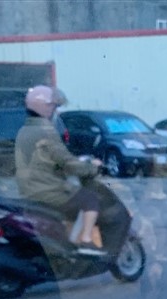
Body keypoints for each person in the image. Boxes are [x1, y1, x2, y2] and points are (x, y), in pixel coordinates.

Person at [14, 85, 107, 253]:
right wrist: (91, 168)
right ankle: (85, 240)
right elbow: (67, 163)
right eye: (53, 106)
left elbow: (45, 159)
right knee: (90, 199)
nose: (55, 110)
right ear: (44, 107)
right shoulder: (45, 131)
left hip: (28, 188)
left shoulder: (24, 130)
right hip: (46, 189)